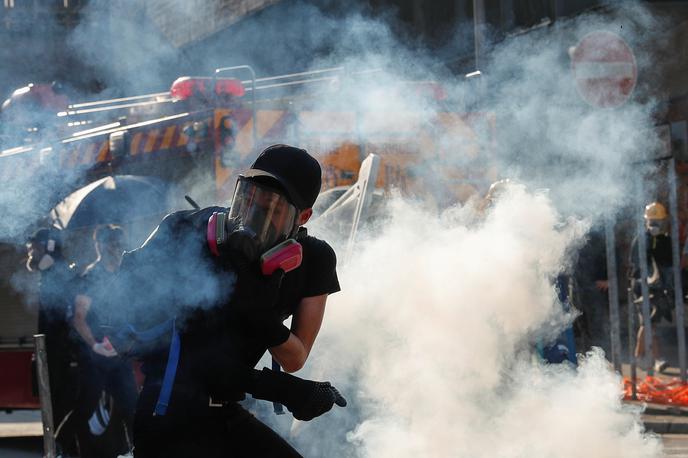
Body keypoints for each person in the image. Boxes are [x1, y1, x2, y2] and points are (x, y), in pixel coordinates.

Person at [120, 144, 346, 457]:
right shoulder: (191, 232)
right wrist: (281, 389)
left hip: (225, 412)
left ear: (302, 217)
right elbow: (201, 363)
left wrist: (261, 318)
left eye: (271, 208)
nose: (252, 216)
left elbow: (294, 358)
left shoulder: (316, 259)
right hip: (168, 413)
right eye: (248, 198)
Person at [71, 224, 137, 458]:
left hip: (120, 355)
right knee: (85, 408)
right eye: (111, 243)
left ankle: (134, 451)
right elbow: (79, 319)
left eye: (119, 243)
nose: (116, 248)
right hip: (95, 356)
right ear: (99, 245)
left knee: (132, 406)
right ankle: (70, 450)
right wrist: (95, 345)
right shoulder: (90, 277)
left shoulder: (126, 275)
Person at [26, 227, 78, 454]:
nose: (31, 250)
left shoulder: (58, 276)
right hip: (53, 355)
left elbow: (64, 322)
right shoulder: (49, 275)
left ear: (47, 247)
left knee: (63, 408)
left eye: (35, 245)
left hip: (61, 358)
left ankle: (62, 450)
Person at [629, 202, 674, 374]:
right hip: (642, 287)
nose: (655, 226)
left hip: (659, 288)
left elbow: (669, 264)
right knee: (648, 323)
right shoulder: (640, 239)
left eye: (658, 222)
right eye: (652, 222)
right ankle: (653, 358)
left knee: (651, 324)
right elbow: (635, 265)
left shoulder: (666, 240)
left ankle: (642, 357)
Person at [569, 225, 610, 354]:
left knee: (597, 331)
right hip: (577, 292)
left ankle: (600, 361)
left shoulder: (598, 239)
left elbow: (613, 259)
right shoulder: (573, 243)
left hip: (596, 293)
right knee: (582, 330)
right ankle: (589, 363)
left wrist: (610, 280)